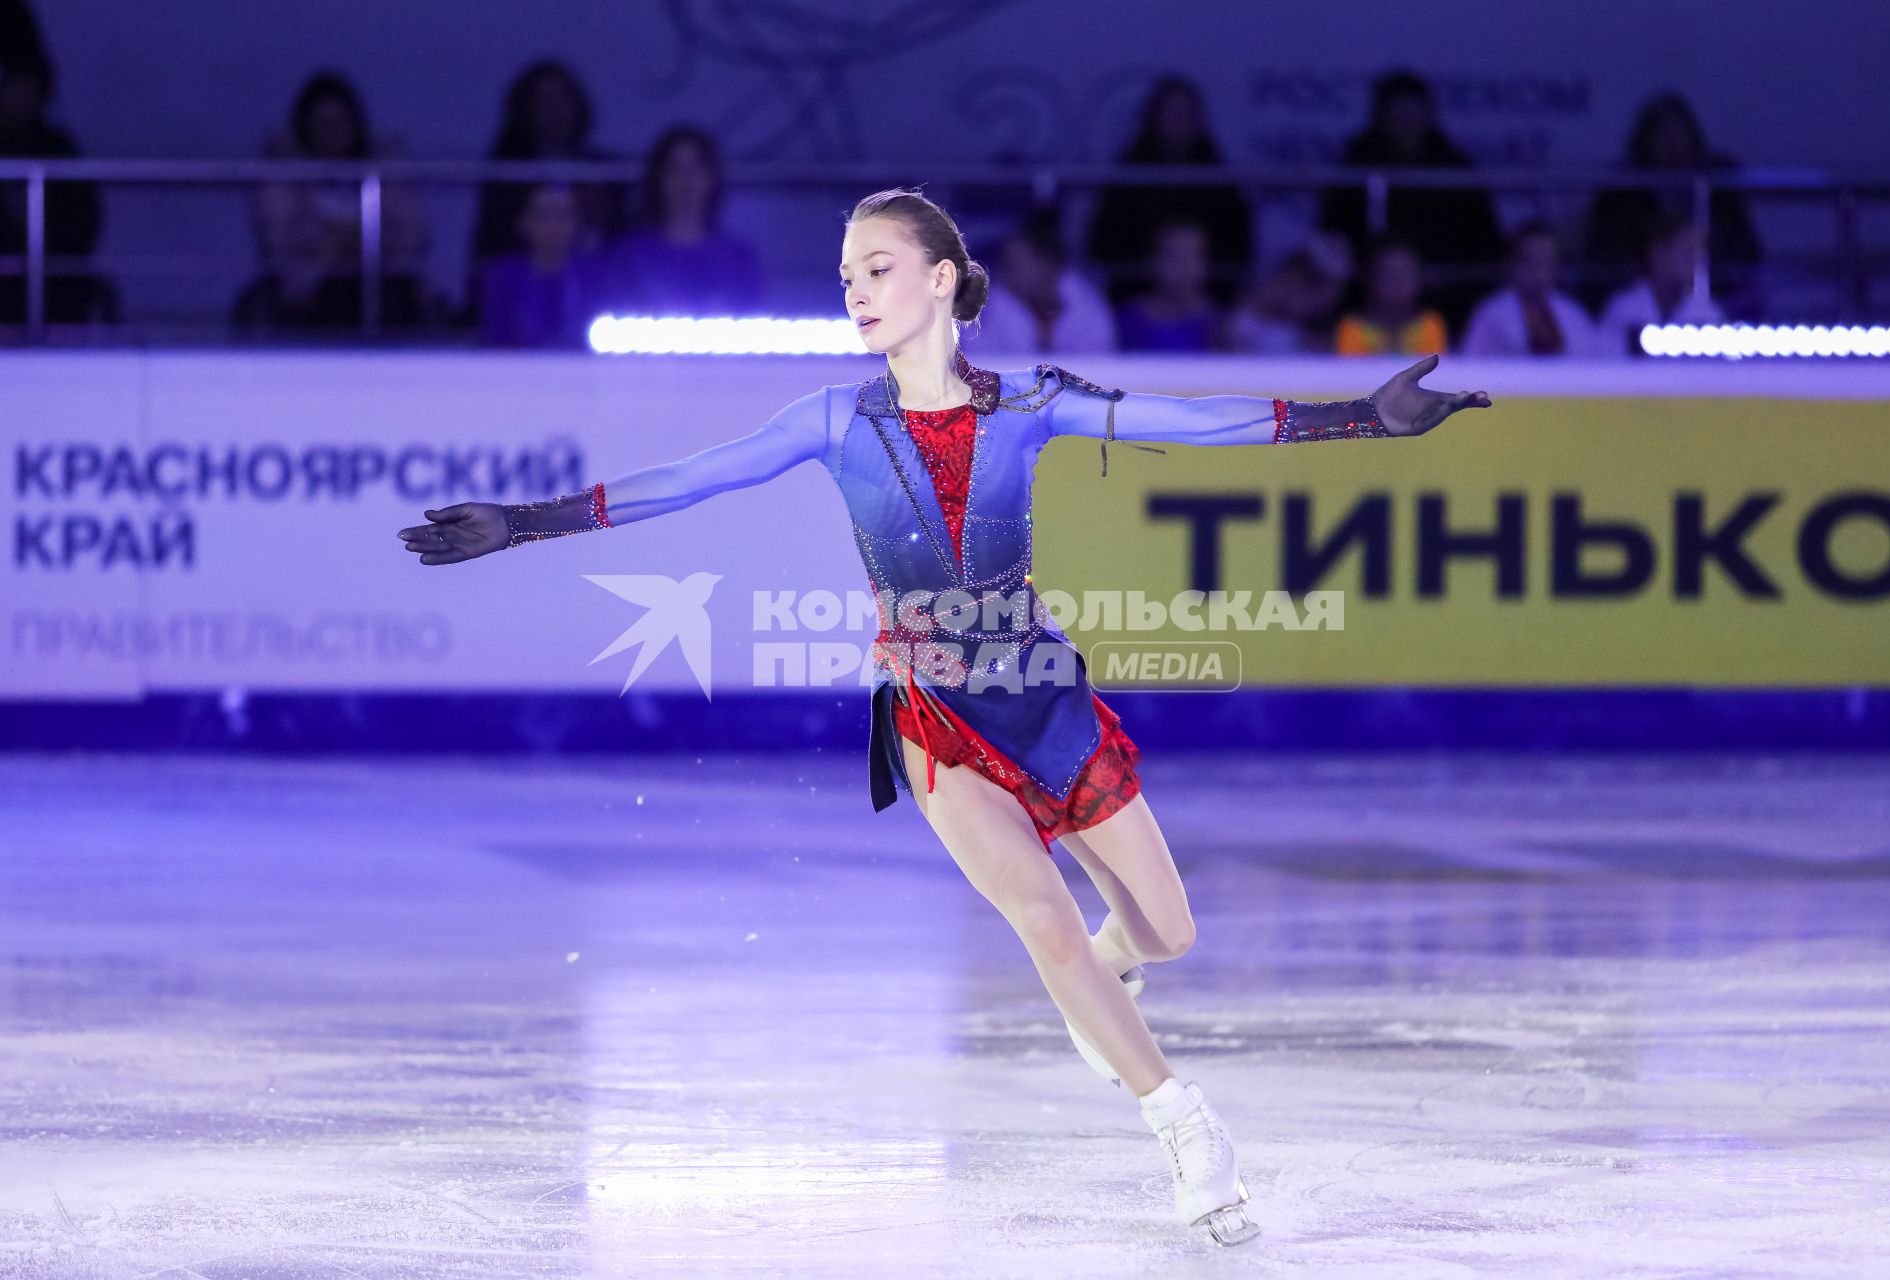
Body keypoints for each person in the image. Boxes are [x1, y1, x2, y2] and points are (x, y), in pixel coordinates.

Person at [397, 186, 1491, 1246]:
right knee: (1042, 918)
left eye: (876, 270)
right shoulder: (831, 422)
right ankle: (1185, 1124)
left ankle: (1111, 972)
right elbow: (685, 481)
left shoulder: (1031, 404)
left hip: (1046, 701)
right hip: (934, 716)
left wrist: (1365, 420)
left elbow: (1192, 423)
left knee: (1166, 931)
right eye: (844, 279)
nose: (856, 294)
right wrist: (522, 524)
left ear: (939, 279)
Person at [234, 71, 437, 335]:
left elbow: (412, 234)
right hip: (308, 290)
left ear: (356, 124)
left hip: (382, 283)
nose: (333, 134)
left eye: (341, 123)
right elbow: (279, 242)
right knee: (332, 294)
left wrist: (363, 241)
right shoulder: (284, 175)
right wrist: (327, 248)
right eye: (322, 124)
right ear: (304, 127)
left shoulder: (383, 169)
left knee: (386, 298)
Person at [1317, 70, 1506, 336]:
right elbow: (1334, 230)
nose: (1407, 123)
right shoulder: (1358, 163)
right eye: (1398, 115)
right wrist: (1373, 273)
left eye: (1414, 114)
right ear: (1381, 117)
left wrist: (1437, 274)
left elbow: (1484, 241)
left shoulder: (1453, 168)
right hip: (1363, 295)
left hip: (1445, 295)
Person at [1582, 92, 1763, 320]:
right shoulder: (1623, 190)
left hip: (1717, 291)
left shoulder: (1718, 186)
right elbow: (1604, 252)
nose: (1671, 143)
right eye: (1662, 133)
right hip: (1636, 285)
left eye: (1678, 133)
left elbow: (1746, 250)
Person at [1085, 75, 1256, 313]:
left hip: (1208, 303)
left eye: (1187, 112)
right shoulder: (1129, 176)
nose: (1180, 120)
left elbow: (1238, 246)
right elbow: (1104, 243)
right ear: (1154, 116)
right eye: (1172, 111)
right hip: (1137, 299)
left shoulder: (1218, 179)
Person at [467, 59, 620, 323]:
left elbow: (620, 231)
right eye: (543, 100)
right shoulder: (506, 173)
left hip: (590, 295)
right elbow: (489, 242)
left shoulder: (602, 171)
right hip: (525, 289)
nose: (553, 110)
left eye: (561, 99)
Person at [595, 124, 763, 317]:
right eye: (675, 168)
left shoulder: (739, 257)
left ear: (712, 178)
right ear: (658, 179)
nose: (686, 180)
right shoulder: (628, 254)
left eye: (696, 168)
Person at [0, 53, 115, 329]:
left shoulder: (58, 149)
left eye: (28, 88)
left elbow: (83, 218)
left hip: (55, 280)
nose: (19, 98)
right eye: (12, 87)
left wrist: (37, 225)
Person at [966, 206, 1116, 356]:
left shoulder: (1085, 304)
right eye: (1009, 262)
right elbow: (979, 363)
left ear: (1046, 262)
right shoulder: (986, 308)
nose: (1012, 270)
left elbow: (1101, 361)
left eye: (1021, 262)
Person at [479, 184, 601, 348]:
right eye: (544, 215)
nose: (554, 225)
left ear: (578, 223)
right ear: (525, 223)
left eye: (562, 214)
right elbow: (497, 341)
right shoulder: (504, 277)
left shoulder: (596, 277)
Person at [1460, 220, 1603, 357]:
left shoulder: (1574, 313)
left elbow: (1592, 364)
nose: (1539, 272)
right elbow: (1472, 365)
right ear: (1513, 263)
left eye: (1547, 262)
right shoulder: (1491, 314)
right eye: (1533, 261)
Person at [1596, 209, 1724, 356]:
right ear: (1658, 253)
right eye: (1687, 253)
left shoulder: (1708, 312)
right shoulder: (1623, 309)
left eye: (1699, 255)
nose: (1696, 263)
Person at [1112, 220, 1231, 352]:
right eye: (1173, 257)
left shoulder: (1222, 326)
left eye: (1191, 257)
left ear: (1205, 264)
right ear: (1153, 261)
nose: (1182, 267)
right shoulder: (1123, 322)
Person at [1224, 235, 1349, 355]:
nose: (1326, 298)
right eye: (1313, 281)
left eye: (1335, 287)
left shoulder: (1316, 331)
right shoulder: (1242, 324)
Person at [1335, 237, 1448, 356]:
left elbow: (1435, 372)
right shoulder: (1352, 328)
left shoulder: (1430, 325)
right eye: (1389, 275)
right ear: (1372, 280)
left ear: (1419, 280)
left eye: (1406, 274)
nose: (1398, 284)